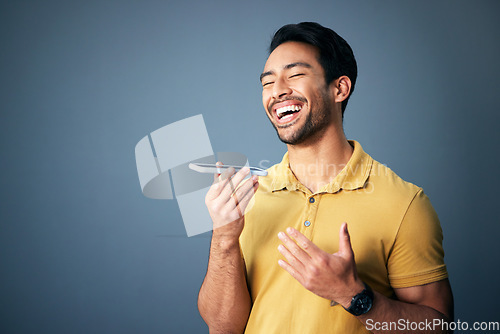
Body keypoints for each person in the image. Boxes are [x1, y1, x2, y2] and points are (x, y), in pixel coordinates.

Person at [198, 22, 453, 333]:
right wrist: (224, 239)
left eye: (294, 75)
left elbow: (437, 326)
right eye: (267, 83)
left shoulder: (405, 203)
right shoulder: (248, 196)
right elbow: (222, 326)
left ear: (339, 88)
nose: (277, 91)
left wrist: (354, 296)